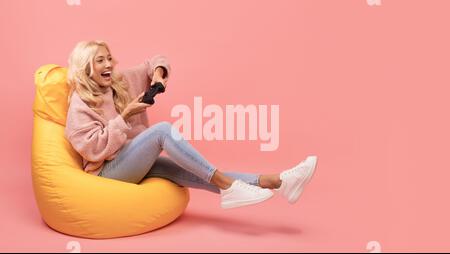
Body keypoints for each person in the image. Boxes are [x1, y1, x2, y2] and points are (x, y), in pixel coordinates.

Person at [64, 40, 318, 209]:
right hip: (107, 173)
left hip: (133, 161)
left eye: (109, 58)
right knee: (162, 131)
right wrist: (125, 115)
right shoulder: (80, 104)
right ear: (85, 68)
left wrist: (158, 74)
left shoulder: (117, 81)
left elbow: (155, 60)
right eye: (100, 61)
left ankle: (280, 181)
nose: (108, 64)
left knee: (193, 170)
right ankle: (229, 188)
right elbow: (93, 150)